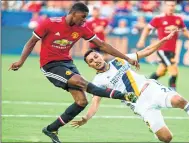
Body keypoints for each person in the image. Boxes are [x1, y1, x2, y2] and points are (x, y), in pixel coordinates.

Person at [9, 2, 138, 143]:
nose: (84, 20)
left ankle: (51, 129)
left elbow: (102, 45)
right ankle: (123, 96)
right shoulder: (50, 23)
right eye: (83, 17)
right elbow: (31, 42)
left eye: (86, 18)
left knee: (82, 101)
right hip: (50, 65)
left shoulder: (82, 28)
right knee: (81, 82)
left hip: (68, 64)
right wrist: (21, 61)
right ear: (73, 13)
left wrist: (126, 58)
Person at [71, 30, 189, 143]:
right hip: (140, 105)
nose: (95, 60)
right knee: (166, 138)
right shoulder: (98, 81)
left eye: (95, 56)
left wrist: (163, 40)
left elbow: (146, 51)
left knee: (178, 100)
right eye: (91, 61)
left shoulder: (119, 60)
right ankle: (154, 127)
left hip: (151, 90)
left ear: (101, 55)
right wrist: (86, 118)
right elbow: (95, 102)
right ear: (90, 66)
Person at [137, 1, 189, 90]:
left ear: (175, 7)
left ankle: (143, 86)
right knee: (174, 71)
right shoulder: (158, 18)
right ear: (165, 6)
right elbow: (147, 28)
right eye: (169, 5)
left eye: (172, 5)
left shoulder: (178, 19)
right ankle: (173, 93)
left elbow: (184, 30)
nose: (171, 7)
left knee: (161, 72)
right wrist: (142, 40)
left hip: (172, 50)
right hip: (162, 49)